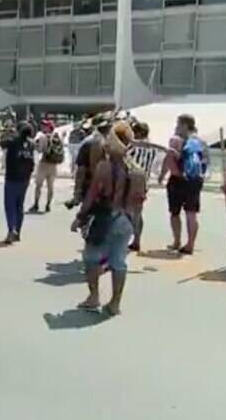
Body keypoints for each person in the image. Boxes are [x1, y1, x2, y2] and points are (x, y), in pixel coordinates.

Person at [73, 122, 146, 317]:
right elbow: (140, 201)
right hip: (128, 220)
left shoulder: (104, 167)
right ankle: (115, 303)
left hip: (106, 217)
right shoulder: (138, 170)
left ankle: (94, 296)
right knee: (119, 261)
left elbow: (93, 193)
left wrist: (80, 216)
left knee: (91, 258)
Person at [159, 114, 207, 255]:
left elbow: (169, 158)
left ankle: (177, 241)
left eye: (178, 124)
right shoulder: (201, 142)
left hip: (177, 179)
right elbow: (205, 163)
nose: (176, 127)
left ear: (185, 125)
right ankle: (190, 244)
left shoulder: (176, 140)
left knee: (175, 212)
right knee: (191, 213)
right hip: (194, 180)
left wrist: (162, 175)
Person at [127, 121, 163, 251]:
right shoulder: (152, 148)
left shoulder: (133, 146)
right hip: (144, 181)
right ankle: (137, 240)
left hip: (131, 180)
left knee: (127, 211)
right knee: (138, 212)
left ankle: (125, 238)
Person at [64, 117, 111, 210]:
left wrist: (77, 193)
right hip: (94, 185)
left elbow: (80, 170)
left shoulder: (90, 142)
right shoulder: (96, 142)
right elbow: (81, 170)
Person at [0, 121, 35, 244]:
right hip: (25, 179)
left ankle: (11, 230)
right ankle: (18, 232)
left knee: (10, 205)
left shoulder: (13, 142)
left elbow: (0, 142)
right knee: (19, 206)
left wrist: (7, 132)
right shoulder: (31, 144)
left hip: (12, 178)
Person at [29, 120, 63, 213]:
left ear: (48, 127)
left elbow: (40, 150)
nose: (43, 127)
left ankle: (36, 204)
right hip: (53, 166)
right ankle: (48, 205)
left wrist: (35, 144)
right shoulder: (58, 138)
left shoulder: (43, 137)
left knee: (38, 186)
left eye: (45, 126)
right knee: (50, 187)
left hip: (44, 164)